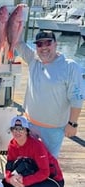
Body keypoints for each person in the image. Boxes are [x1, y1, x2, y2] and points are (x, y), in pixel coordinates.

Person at [16, 30, 84, 158]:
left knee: (49, 163)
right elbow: (18, 43)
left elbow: (77, 98)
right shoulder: (33, 59)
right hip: (29, 124)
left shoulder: (69, 66)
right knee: (26, 159)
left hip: (53, 129)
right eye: (39, 44)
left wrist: (72, 123)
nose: (44, 47)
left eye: (48, 43)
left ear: (55, 44)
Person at [4, 115, 65, 187]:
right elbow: (9, 164)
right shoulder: (12, 144)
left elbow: (45, 172)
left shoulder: (37, 146)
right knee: (8, 183)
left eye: (21, 129)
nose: (17, 132)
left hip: (53, 180)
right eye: (14, 129)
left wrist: (24, 181)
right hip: (33, 172)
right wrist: (9, 178)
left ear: (27, 130)